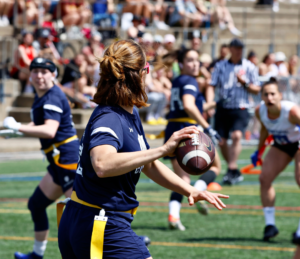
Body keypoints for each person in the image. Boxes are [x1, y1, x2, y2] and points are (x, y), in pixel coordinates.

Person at [58, 39, 229, 259]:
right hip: (101, 224)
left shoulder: (129, 112)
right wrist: (163, 149)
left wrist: (190, 190)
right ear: (139, 74)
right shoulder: (110, 117)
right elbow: (102, 164)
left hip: (91, 220)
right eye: (147, 69)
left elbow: (148, 163)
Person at [3, 58, 79, 259]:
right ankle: (37, 255)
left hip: (68, 161)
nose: (39, 75)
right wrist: (21, 130)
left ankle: (132, 243)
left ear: (53, 74)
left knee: (79, 214)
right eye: (35, 71)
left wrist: (18, 127)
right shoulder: (45, 95)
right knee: (36, 204)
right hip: (58, 161)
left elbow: (49, 129)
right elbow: (41, 123)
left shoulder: (51, 96)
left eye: (44, 71)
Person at [164, 49, 222, 230]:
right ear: (181, 64)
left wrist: (216, 103)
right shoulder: (190, 80)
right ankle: (200, 189)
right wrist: (208, 126)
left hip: (173, 128)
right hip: (188, 129)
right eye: (190, 60)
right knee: (216, 166)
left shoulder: (178, 80)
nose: (195, 64)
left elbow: (194, 105)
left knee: (181, 179)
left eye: (197, 60)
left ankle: (174, 215)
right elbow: (189, 106)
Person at [206, 38, 261, 185]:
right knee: (221, 141)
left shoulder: (249, 66)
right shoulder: (220, 66)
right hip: (223, 107)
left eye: (241, 48)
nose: (239, 51)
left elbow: (257, 89)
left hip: (241, 106)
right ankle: (232, 170)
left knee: (237, 135)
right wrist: (210, 103)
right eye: (236, 48)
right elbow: (212, 85)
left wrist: (245, 83)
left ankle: (231, 167)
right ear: (230, 49)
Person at [251, 78, 300, 241]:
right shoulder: (260, 111)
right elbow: (265, 130)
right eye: (266, 94)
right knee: (264, 178)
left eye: (273, 94)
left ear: (280, 95)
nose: (270, 98)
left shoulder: (291, 112)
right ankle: (270, 225)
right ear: (262, 97)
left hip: (298, 143)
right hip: (281, 144)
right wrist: (258, 152)